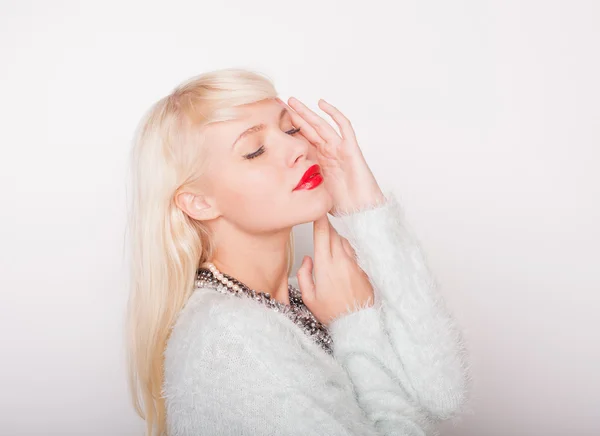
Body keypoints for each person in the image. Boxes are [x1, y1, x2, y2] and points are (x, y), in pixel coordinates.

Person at [125, 68, 472, 436]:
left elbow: (443, 393)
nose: (299, 148)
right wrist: (354, 326)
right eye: (254, 151)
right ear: (199, 202)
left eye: (291, 129)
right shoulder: (230, 338)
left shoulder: (304, 296)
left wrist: (368, 209)